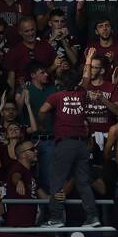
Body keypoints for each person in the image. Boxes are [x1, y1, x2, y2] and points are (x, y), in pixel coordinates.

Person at [38, 71, 103, 227]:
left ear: (61, 82)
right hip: (82, 145)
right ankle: (93, 217)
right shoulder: (82, 94)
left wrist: (43, 124)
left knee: (56, 180)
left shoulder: (56, 96)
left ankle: (56, 218)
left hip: (65, 143)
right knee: (83, 183)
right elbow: (86, 81)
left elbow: (42, 110)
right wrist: (87, 62)